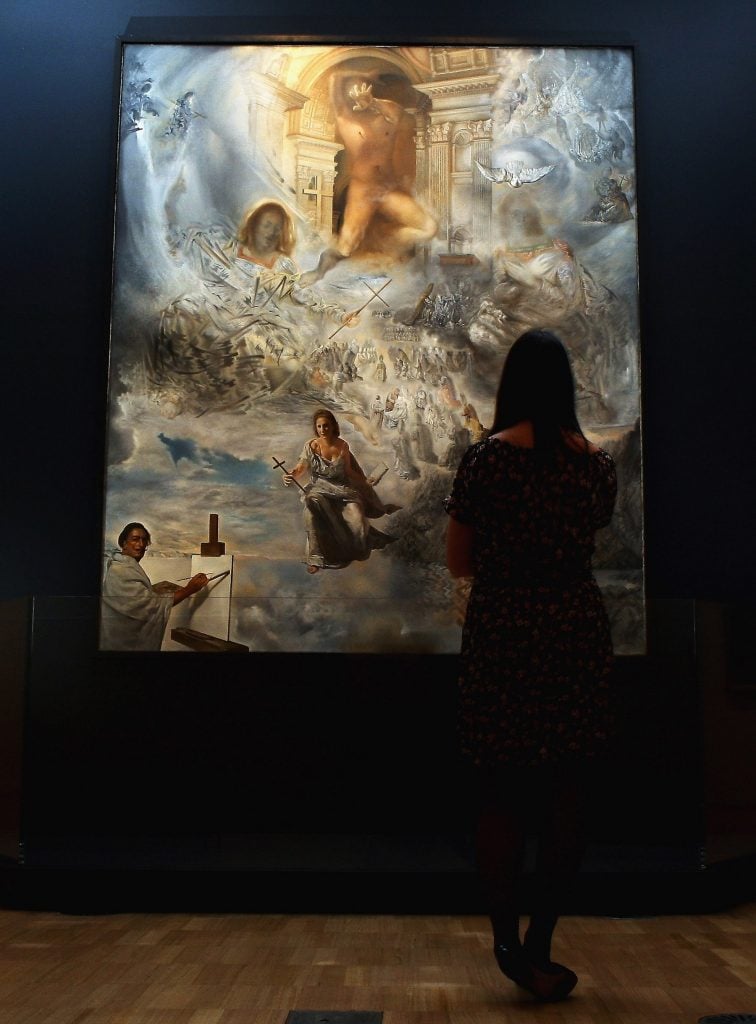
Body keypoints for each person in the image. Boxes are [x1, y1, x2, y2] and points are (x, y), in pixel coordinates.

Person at [444, 329, 617, 1002]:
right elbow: (591, 538)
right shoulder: (595, 466)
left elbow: (460, 561)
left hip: (505, 628)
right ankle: (543, 941)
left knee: (501, 790)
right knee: (569, 790)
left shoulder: (484, 462)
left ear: (510, 384)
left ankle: (506, 941)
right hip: (574, 627)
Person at [301, 73, 437, 283]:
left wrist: (372, 102)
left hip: (387, 189)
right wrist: (339, 73)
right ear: (346, 98)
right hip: (362, 191)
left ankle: (385, 247)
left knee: (428, 228)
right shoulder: (346, 120)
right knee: (345, 248)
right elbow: (334, 90)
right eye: (353, 93)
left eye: (362, 89)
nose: (358, 95)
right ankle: (318, 272)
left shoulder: (387, 117)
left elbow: (398, 114)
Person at [283, 409, 400, 573]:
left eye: (326, 426)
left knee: (357, 517)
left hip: (342, 489)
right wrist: (290, 475)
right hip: (320, 488)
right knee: (311, 510)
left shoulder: (342, 445)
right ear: (316, 428)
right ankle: (316, 558)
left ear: (333, 426)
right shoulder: (311, 446)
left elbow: (349, 471)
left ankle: (355, 551)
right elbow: (300, 467)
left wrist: (365, 482)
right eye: (319, 426)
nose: (322, 430)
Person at [100, 523, 209, 650]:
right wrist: (190, 589)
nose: (140, 545)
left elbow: (135, 598)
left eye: (144, 540)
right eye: (135, 539)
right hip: (120, 645)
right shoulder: (121, 570)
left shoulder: (124, 565)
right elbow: (150, 606)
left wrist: (152, 591)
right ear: (124, 543)